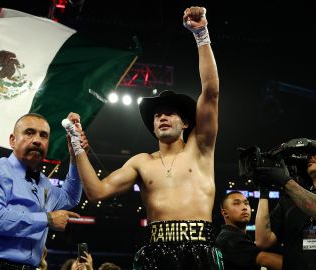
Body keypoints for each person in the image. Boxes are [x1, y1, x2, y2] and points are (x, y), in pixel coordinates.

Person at [64, 6, 221, 269]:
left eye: (170, 113)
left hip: (200, 250)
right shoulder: (141, 162)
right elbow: (96, 191)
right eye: (158, 115)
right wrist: (77, 148)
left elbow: (211, 91)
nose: (162, 117)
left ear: (185, 123)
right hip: (156, 252)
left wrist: (201, 35)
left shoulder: (200, 147)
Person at [0, 113, 87, 269]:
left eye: (43, 136)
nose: (37, 140)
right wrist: (47, 219)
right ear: (12, 140)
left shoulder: (43, 183)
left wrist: (75, 156)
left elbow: (71, 197)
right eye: (29, 132)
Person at [255, 136, 316, 270]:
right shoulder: (291, 196)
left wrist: (286, 181)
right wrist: (263, 192)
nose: (310, 156)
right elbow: (263, 240)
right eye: (308, 153)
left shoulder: (291, 188)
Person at [216, 191, 282, 270]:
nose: (244, 207)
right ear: (225, 213)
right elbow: (265, 259)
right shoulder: (228, 238)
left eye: (246, 203)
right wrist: (298, 263)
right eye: (237, 203)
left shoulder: (239, 237)